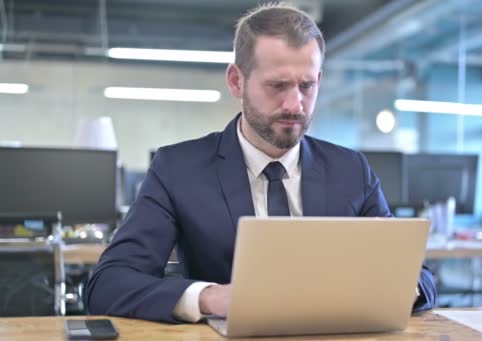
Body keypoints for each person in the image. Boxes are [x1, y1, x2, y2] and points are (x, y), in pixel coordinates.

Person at [86, 2, 436, 323]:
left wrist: (399, 288)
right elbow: (108, 283)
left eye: (306, 86)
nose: (295, 104)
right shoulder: (178, 169)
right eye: (278, 85)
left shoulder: (351, 171)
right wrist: (209, 298)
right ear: (237, 81)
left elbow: (420, 278)